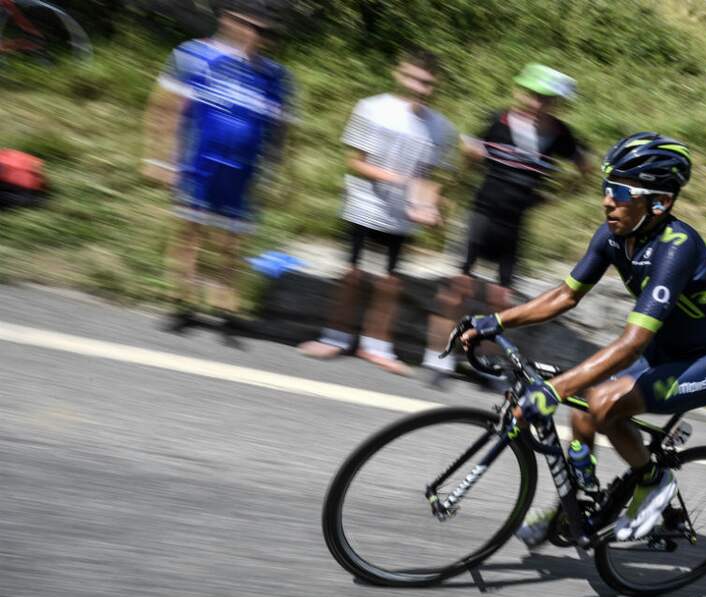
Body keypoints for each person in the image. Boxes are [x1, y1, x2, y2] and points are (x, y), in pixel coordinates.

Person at [461, 133, 706, 546]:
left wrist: (553, 390)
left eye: (619, 191)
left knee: (603, 403)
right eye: (605, 188)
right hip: (667, 347)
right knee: (581, 409)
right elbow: (565, 295)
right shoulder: (614, 236)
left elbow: (631, 343)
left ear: (660, 202)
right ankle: (580, 505)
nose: (606, 200)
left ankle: (653, 482)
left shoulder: (677, 248)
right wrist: (494, 321)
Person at [423, 63, 592, 387]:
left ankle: (483, 364)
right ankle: (437, 359)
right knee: (457, 289)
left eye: (547, 99)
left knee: (500, 301)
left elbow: (585, 170)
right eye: (533, 95)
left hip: (515, 223)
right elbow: (467, 159)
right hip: (481, 214)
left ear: (556, 103)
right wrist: (446, 192)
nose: (538, 103)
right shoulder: (497, 121)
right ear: (520, 93)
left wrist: (552, 197)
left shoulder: (561, 135)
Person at [298, 49, 455, 375]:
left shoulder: (441, 127)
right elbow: (354, 162)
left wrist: (430, 207)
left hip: (402, 215)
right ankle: (335, 337)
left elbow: (431, 178)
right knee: (352, 274)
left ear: (436, 84)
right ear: (399, 73)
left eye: (427, 82)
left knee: (390, 283)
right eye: (414, 78)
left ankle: (377, 346)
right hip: (364, 204)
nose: (419, 87)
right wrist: (399, 179)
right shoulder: (372, 108)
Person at [142, 0, 293, 332]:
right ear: (229, 21)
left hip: (243, 169)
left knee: (231, 242)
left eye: (267, 33)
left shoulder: (276, 75)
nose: (259, 37)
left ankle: (226, 305)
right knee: (188, 233)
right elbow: (163, 109)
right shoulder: (194, 55)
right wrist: (159, 159)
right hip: (199, 161)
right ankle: (181, 301)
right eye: (253, 27)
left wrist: (276, 173)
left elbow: (281, 129)